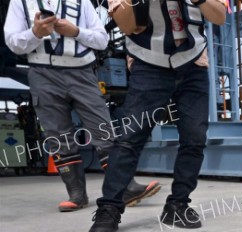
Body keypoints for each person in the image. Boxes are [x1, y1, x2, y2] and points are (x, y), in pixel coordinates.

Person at [87, 0, 226, 232]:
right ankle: (109, 208)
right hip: (149, 64)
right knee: (130, 137)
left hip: (193, 63)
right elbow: (128, 25)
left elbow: (220, 16)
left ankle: (178, 205)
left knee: (194, 137)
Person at [4, 0, 161, 212]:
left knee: (103, 129)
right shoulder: (20, 2)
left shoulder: (82, 2)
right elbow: (13, 42)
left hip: (82, 72)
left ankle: (125, 187)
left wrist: (76, 31)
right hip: (42, 74)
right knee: (58, 136)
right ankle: (76, 194)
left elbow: (102, 40)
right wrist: (35, 32)